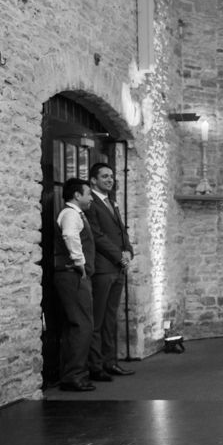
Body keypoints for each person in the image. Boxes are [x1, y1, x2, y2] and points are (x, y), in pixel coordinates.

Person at [86, 162, 135, 378]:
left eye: (112, 176)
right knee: (98, 319)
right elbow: (97, 235)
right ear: (93, 180)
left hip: (118, 268)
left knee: (111, 318)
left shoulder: (112, 203)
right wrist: (118, 256)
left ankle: (110, 361)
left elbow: (120, 231)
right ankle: (95, 366)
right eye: (104, 176)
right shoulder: (91, 204)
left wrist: (128, 251)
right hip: (104, 268)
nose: (110, 179)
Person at [53, 178, 96, 392]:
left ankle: (74, 373)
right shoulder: (70, 214)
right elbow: (69, 235)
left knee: (76, 324)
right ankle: (74, 375)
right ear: (77, 195)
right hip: (72, 274)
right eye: (88, 193)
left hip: (72, 274)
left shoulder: (76, 214)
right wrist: (80, 263)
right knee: (81, 324)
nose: (90, 198)